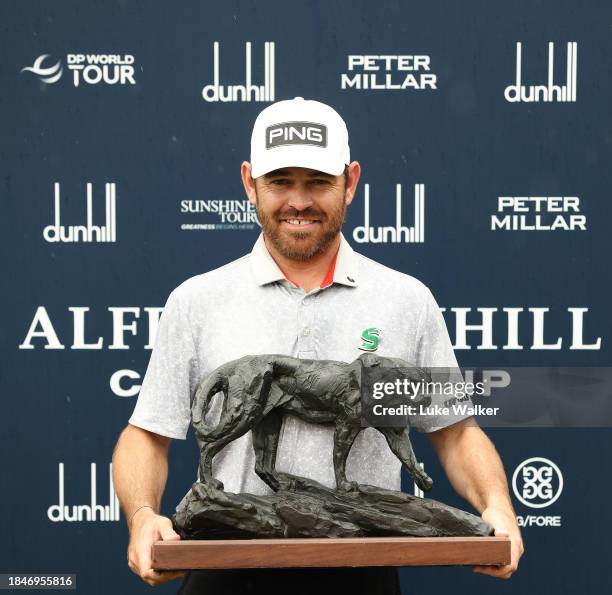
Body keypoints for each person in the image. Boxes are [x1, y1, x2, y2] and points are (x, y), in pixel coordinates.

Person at [112, 97, 524, 593]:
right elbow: (147, 435)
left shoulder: (407, 299)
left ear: (350, 182)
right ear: (249, 184)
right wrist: (141, 517)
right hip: (226, 570)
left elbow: (455, 433)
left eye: (318, 182)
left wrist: (496, 507)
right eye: (280, 182)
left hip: (363, 573)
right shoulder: (198, 300)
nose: (298, 201)